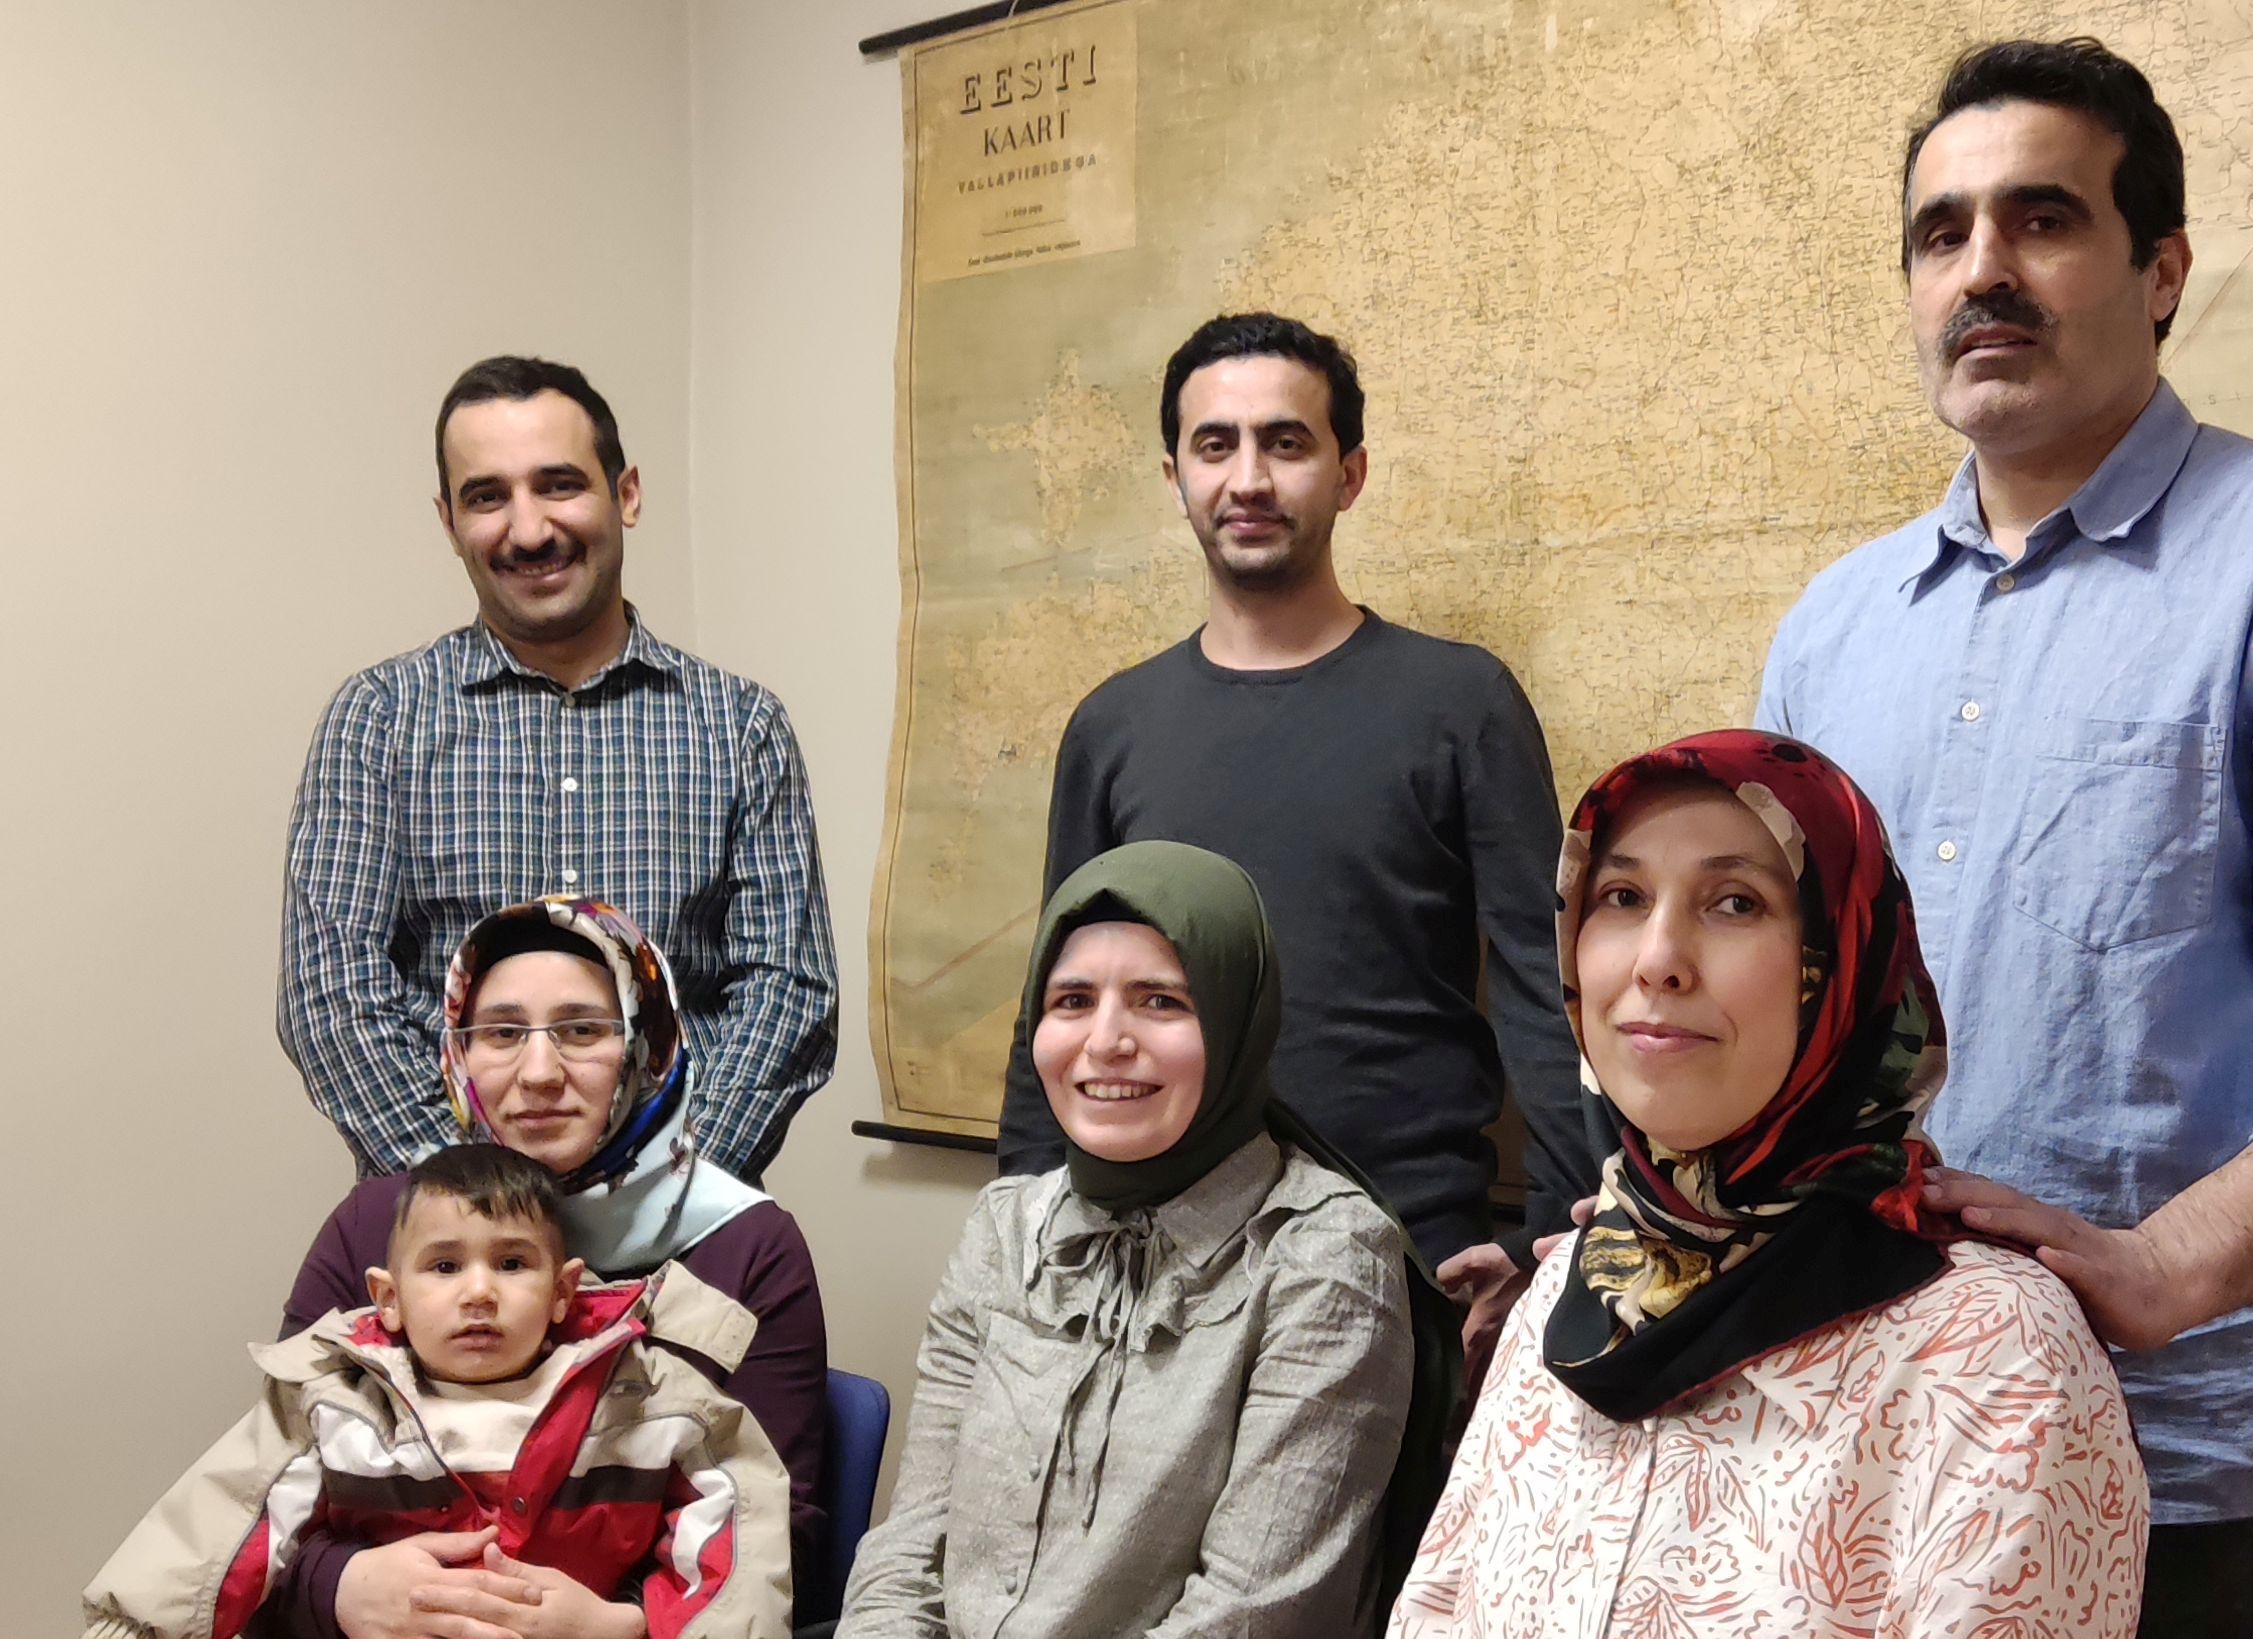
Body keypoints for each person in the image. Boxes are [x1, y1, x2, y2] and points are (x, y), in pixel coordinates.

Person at [1755, 38, 2253, 1635]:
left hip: (2221, 1475)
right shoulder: (1832, 628)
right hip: (1902, 1433)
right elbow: (1788, 1015)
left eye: (2041, 218)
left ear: (2158, 271)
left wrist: (2165, 1264)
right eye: (1940, 233)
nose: (1981, 268)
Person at [1389, 730, 2147, 1635]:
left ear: (1841, 961)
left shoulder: (1991, 1354)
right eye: (1622, 896)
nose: (1657, 958)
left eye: (1735, 903)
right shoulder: (1564, 1292)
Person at [996, 312, 1599, 1367]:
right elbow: (1058, 1000)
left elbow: (1549, 989)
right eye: (1215, 445)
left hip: (1401, 1253)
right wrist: (1020, 1228)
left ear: (1348, 472)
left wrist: (1551, 1242)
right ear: (1175, 478)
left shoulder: (1461, 703)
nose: (1249, 479)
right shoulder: (1112, 727)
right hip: (1148, 1262)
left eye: (1285, 442)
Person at [848, 841, 1456, 1636]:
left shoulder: (1323, 1254)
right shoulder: (1005, 1225)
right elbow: (908, 1546)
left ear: (1237, 1020)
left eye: (1161, 1000)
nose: (1105, 1039)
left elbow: (1250, 1612)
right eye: (1072, 999)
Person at [279, 354, 837, 1184]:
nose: (529, 529)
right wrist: (492, 1208)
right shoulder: (379, 721)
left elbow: (786, 992)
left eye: (559, 484)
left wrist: (655, 1193)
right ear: (448, 521)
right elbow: (332, 999)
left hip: (685, 1226)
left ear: (627, 494)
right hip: (449, 1237)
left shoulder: (741, 727)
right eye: (487, 496)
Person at [278, 897, 831, 1638]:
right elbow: (266, 1493)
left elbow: (776, 1532)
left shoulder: (746, 1245)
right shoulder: (378, 1225)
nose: (539, 1072)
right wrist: (340, 1587)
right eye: (502, 1033)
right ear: (459, 1055)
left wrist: (623, 1624)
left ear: (645, 1044)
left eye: (582, 1030)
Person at [83, 1143, 793, 1639]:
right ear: (388, 1299)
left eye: (511, 1263)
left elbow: (738, 1553)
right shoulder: (335, 1403)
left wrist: (623, 1625)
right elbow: (219, 1534)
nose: (479, 1291)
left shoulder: (653, 1398)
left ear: (562, 1291)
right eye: (445, 1266)